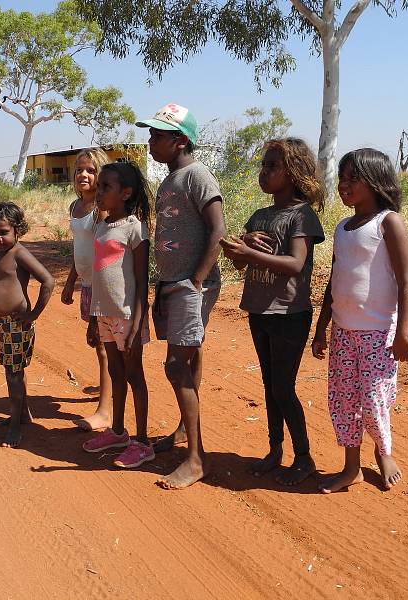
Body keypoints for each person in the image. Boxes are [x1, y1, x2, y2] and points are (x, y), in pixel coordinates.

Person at [220, 138, 325, 485]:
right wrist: (239, 247)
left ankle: (304, 456)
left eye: (272, 167)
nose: (264, 173)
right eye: (263, 166)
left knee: (282, 387)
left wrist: (248, 253)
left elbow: (295, 264)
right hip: (260, 310)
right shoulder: (260, 216)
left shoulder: (302, 215)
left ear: (293, 173)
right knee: (269, 385)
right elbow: (238, 265)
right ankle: (275, 450)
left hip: (290, 314)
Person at [311, 148, 408, 493]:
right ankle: (351, 467)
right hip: (343, 331)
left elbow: (406, 281)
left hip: (378, 333)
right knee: (344, 401)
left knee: (374, 400)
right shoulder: (342, 227)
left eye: (353, 178)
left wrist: (403, 333)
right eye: (342, 177)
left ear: (376, 182)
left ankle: (384, 452)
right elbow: (335, 280)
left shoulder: (388, 222)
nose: (344, 185)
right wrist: (322, 327)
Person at [137, 103, 226, 489]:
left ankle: (196, 459)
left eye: (158, 135)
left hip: (192, 284)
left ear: (180, 140)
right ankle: (182, 432)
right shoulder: (171, 180)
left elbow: (218, 231)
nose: (151, 141)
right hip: (173, 283)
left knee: (175, 365)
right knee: (192, 354)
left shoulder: (197, 176)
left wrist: (195, 281)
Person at [81, 162, 155, 468]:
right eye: (99, 187)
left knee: (134, 374)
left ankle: (142, 441)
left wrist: (139, 321)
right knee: (115, 372)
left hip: (127, 316)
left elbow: (141, 281)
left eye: (106, 188)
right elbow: (100, 276)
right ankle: (118, 432)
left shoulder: (135, 228)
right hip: (105, 315)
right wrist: (95, 318)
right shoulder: (102, 225)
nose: (99, 193)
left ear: (125, 193)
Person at [0, 202, 55, 448]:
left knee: (13, 374)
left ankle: (15, 425)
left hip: (16, 323)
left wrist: (34, 313)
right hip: (2, 323)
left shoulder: (19, 253)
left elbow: (48, 281)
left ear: (17, 230)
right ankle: (22, 414)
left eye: (4, 232)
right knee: (13, 370)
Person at [60, 148, 114, 431]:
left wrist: (96, 307)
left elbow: (104, 253)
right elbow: (79, 249)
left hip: (103, 286)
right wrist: (71, 280)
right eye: (80, 169)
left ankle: (105, 411)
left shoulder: (101, 209)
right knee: (99, 344)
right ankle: (107, 386)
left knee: (104, 344)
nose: (84, 174)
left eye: (91, 170)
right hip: (88, 284)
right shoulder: (75, 206)